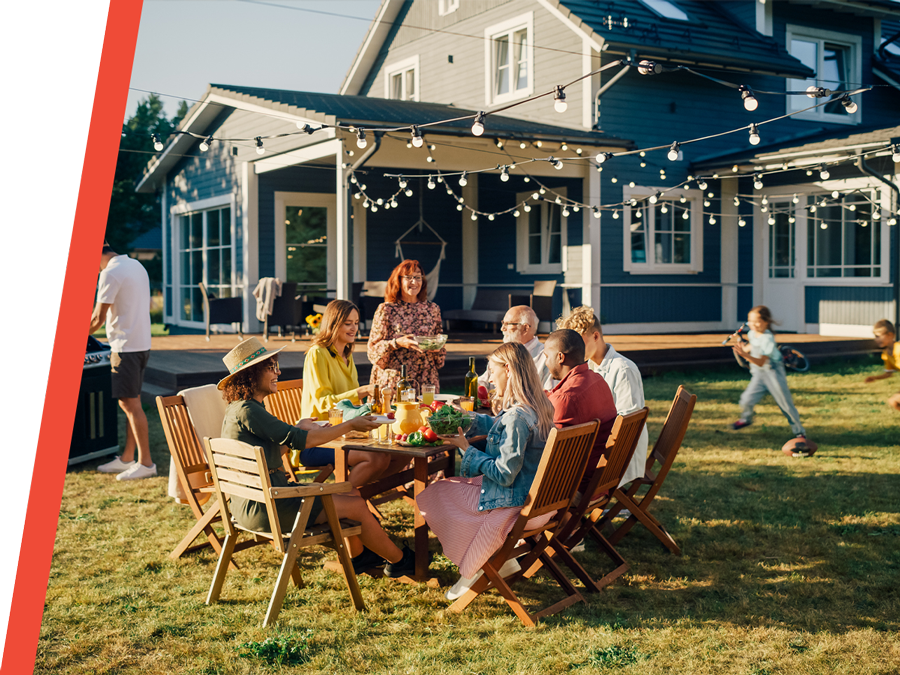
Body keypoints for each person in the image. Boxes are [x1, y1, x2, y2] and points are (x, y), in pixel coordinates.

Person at [218, 336, 418, 577]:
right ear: (250, 375)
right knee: (354, 505)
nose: (278, 373)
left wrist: (298, 427)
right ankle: (401, 561)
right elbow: (306, 441)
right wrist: (351, 424)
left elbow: (272, 453)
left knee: (350, 492)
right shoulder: (249, 410)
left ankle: (360, 557)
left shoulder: (240, 409)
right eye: (270, 368)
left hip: (251, 503)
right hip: (270, 506)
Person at [417, 342, 558, 599]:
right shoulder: (540, 407)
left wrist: (466, 449)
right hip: (542, 503)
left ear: (508, 369)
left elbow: (504, 474)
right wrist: (468, 419)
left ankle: (474, 567)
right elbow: (498, 423)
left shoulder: (517, 417)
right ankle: (499, 562)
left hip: (515, 504)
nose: (490, 379)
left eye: (492, 372)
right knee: (452, 489)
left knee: (437, 493)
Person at [300, 299, 406, 487]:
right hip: (316, 441)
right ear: (333, 323)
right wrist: (361, 391)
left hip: (346, 435)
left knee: (401, 455)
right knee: (376, 459)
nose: (353, 328)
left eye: (356, 323)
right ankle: (339, 503)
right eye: (347, 323)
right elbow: (322, 402)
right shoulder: (318, 353)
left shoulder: (347, 356)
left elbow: (350, 407)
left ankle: (357, 493)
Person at [556, 306, 648, 486]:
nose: (576, 350)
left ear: (596, 336)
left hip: (618, 457)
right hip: (599, 448)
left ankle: (566, 511)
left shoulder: (623, 369)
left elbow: (628, 424)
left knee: (562, 474)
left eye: (580, 344)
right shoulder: (587, 367)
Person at [90, 245, 155, 480]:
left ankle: (146, 463)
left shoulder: (110, 272)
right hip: (140, 345)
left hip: (125, 348)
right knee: (132, 402)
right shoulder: (136, 265)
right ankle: (128, 457)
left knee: (130, 405)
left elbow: (97, 318)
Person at [543, 329, 619, 493]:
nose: (546, 363)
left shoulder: (566, 398)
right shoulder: (598, 380)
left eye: (546, 356)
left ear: (560, 357)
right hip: (602, 478)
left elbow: (548, 453)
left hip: (573, 487)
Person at [730, 306, 811, 445]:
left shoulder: (768, 338)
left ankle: (799, 433)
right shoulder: (752, 334)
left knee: (785, 404)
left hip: (773, 372)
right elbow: (752, 346)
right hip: (759, 374)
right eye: (750, 321)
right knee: (746, 399)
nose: (752, 324)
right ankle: (746, 419)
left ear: (766, 322)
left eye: (757, 321)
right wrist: (743, 348)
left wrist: (744, 355)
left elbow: (761, 362)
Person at [366, 259, 445, 392]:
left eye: (417, 277)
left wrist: (436, 348)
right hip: (395, 381)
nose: (414, 282)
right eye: (409, 278)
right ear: (399, 281)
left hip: (426, 380)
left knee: (427, 412)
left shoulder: (432, 309)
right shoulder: (386, 310)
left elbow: (440, 354)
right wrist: (396, 343)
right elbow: (373, 351)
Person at [477, 305, 556, 391]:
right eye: (503, 323)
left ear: (525, 328)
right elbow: (483, 381)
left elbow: (550, 393)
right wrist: (479, 388)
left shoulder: (545, 357)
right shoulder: (501, 354)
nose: (502, 328)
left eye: (508, 324)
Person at [863, 319, 900, 412]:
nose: (876, 339)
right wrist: (875, 378)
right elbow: (889, 373)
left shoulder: (899, 349)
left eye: (879, 336)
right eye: (875, 337)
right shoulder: (886, 354)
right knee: (893, 402)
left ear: (890, 335)